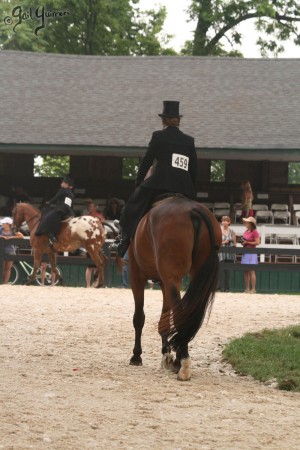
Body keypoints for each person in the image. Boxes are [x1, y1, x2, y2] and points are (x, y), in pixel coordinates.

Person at [114, 100, 198, 257]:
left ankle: (122, 240)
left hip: (161, 183)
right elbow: (193, 169)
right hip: (185, 187)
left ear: (164, 120)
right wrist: (191, 189)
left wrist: (139, 182)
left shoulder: (158, 136)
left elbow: (147, 160)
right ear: (178, 120)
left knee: (132, 205)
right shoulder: (189, 140)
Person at [35, 176, 75, 245]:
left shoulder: (62, 190)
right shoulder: (71, 193)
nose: (61, 183)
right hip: (68, 210)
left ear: (66, 185)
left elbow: (56, 197)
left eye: (63, 182)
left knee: (47, 216)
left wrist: (49, 202)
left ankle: (51, 236)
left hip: (61, 209)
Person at [80, 200, 105, 287]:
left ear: (95, 207)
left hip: (97, 243)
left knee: (97, 265)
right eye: (88, 207)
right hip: (88, 243)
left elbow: (102, 224)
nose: (89, 208)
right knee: (89, 266)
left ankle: (96, 283)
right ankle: (88, 285)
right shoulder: (85, 217)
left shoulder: (99, 216)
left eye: (91, 206)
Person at [0, 217, 24, 284]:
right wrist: (2, 237)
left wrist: (11, 237)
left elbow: (21, 236)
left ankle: (5, 282)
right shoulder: (1, 229)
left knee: (8, 268)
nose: (2, 224)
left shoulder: (13, 230)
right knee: (1, 267)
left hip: (11, 251)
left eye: (4, 223)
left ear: (8, 224)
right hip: (1, 251)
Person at [240, 216, 260, 294]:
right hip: (245, 251)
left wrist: (247, 242)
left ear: (251, 224)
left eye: (247, 222)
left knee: (251, 270)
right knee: (245, 271)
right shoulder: (246, 231)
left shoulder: (255, 232)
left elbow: (257, 242)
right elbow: (244, 240)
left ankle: (253, 289)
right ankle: (247, 288)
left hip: (251, 252)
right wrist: (243, 242)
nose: (245, 223)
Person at [219, 215, 237, 292]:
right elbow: (217, 242)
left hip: (230, 254)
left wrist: (232, 243)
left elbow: (235, 243)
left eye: (226, 220)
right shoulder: (219, 230)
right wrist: (224, 242)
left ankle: (227, 288)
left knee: (228, 272)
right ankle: (218, 287)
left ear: (229, 222)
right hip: (221, 254)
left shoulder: (232, 231)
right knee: (219, 271)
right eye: (223, 220)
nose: (224, 222)